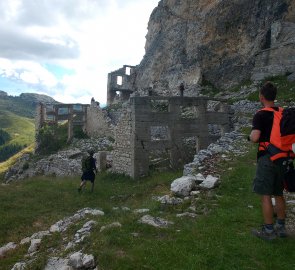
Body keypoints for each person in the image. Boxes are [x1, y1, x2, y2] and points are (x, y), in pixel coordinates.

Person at [249, 81, 287, 240]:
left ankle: (268, 231)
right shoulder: (283, 112)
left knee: (265, 194)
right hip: (283, 158)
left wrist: (250, 136)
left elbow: (255, 137)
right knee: (278, 193)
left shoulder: (260, 114)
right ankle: (281, 227)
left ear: (261, 97)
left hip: (267, 158)